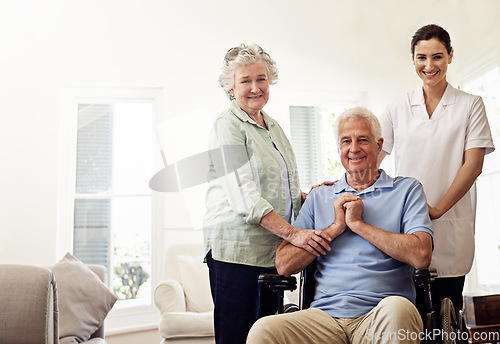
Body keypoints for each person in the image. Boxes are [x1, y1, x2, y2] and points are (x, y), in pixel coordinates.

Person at [247, 106, 433, 344]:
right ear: (339, 149)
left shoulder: (407, 190)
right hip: (324, 318)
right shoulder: (320, 196)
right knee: (263, 330)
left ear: (379, 145)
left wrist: (358, 225)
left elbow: (421, 255)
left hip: (381, 315)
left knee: (398, 308)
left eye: (362, 140)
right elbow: (284, 265)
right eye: (346, 141)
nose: (353, 148)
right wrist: (335, 227)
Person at [203, 43, 331, 344]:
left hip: (271, 253)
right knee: (237, 337)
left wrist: (308, 196)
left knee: (267, 337)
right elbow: (244, 196)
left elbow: (276, 187)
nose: (255, 87)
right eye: (245, 81)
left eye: (260, 78)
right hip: (237, 253)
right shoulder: (228, 126)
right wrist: (294, 234)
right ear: (231, 88)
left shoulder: (272, 126)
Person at [378, 24, 495, 314]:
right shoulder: (398, 107)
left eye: (437, 57)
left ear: (450, 56)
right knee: (412, 310)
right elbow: (371, 156)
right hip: (408, 223)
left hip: (452, 219)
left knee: (448, 307)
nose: (429, 66)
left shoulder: (470, 105)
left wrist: (439, 209)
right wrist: (338, 183)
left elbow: (474, 164)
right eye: (422, 58)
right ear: (413, 59)